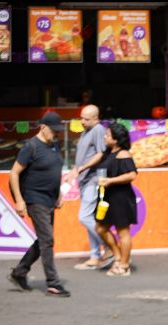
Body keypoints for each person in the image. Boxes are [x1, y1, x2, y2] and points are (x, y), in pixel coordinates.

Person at [6, 112, 70, 297]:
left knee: (44, 239)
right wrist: (19, 200)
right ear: (42, 127)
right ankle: (53, 283)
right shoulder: (30, 147)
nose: (56, 134)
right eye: (53, 130)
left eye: (58, 131)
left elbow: (55, 171)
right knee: (48, 240)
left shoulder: (54, 146)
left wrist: (58, 194)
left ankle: (19, 272)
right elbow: (14, 173)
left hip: (50, 199)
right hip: (35, 199)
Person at [77, 123, 138, 276]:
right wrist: (82, 167)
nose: (105, 137)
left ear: (116, 140)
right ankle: (116, 255)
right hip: (107, 197)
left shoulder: (124, 154)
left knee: (123, 232)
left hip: (121, 198)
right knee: (100, 228)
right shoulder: (108, 152)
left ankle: (124, 266)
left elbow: (132, 175)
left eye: (108, 135)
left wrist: (111, 181)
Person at [69, 105, 113, 270]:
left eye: (86, 119)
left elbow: (101, 153)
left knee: (84, 217)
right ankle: (95, 256)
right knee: (90, 218)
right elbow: (83, 156)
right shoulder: (86, 131)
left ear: (96, 119)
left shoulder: (98, 129)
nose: (82, 121)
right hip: (84, 180)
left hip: (93, 180)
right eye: (81, 118)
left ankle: (109, 245)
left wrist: (82, 168)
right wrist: (75, 169)